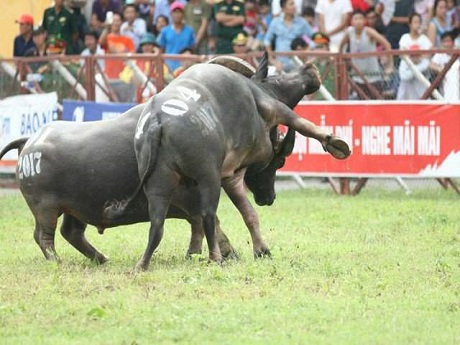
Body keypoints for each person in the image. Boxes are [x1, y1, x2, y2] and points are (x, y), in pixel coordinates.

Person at [339, 9, 393, 99]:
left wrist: (389, 65)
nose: (358, 21)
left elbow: (387, 44)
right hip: (357, 76)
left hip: (373, 76)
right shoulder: (349, 32)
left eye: (360, 18)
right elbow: (341, 46)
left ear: (364, 21)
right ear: (351, 21)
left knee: (375, 102)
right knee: (361, 103)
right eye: (356, 19)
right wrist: (341, 61)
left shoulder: (369, 32)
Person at [264, 0, 315, 73]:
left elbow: (315, 38)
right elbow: (267, 40)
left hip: (298, 65)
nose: (294, 6)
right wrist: (272, 60)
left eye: (294, 3)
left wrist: (307, 50)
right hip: (280, 65)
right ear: (283, 8)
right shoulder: (275, 22)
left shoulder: (301, 22)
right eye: (291, 4)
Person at [397, 13, 433, 100]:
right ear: (410, 24)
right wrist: (415, 56)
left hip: (420, 74)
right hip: (408, 70)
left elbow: (428, 55)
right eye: (415, 22)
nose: (417, 24)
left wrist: (415, 56)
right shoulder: (405, 37)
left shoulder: (424, 39)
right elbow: (402, 53)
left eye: (418, 22)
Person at [157, 2, 196, 72]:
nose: (177, 15)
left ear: (183, 14)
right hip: (168, 67)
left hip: (185, 68)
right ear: (171, 14)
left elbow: (192, 49)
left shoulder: (190, 31)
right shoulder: (165, 31)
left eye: (179, 12)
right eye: (175, 12)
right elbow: (161, 50)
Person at [99, 11, 136, 79]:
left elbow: (132, 56)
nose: (116, 23)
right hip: (110, 74)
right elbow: (101, 43)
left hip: (125, 75)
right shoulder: (106, 38)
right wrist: (107, 28)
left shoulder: (128, 39)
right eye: (113, 20)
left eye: (118, 20)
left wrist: (117, 53)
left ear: (121, 22)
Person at [429, 30, 459, 100]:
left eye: (448, 41)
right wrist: (439, 69)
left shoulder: (457, 52)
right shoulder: (440, 54)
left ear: (453, 42)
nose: (446, 44)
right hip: (443, 84)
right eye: (444, 41)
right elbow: (431, 65)